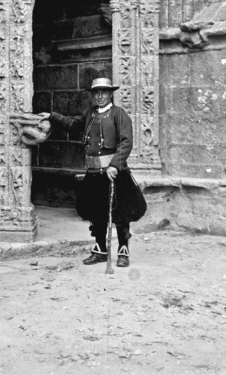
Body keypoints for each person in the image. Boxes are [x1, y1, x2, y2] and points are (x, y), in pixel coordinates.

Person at [38, 77, 146, 267]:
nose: (100, 96)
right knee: (96, 213)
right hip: (94, 173)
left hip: (114, 173)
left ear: (110, 93)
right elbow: (72, 124)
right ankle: (100, 251)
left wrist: (114, 165)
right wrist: (51, 115)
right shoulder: (90, 114)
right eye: (96, 93)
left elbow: (126, 142)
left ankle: (123, 252)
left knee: (120, 213)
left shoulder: (119, 115)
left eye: (104, 92)